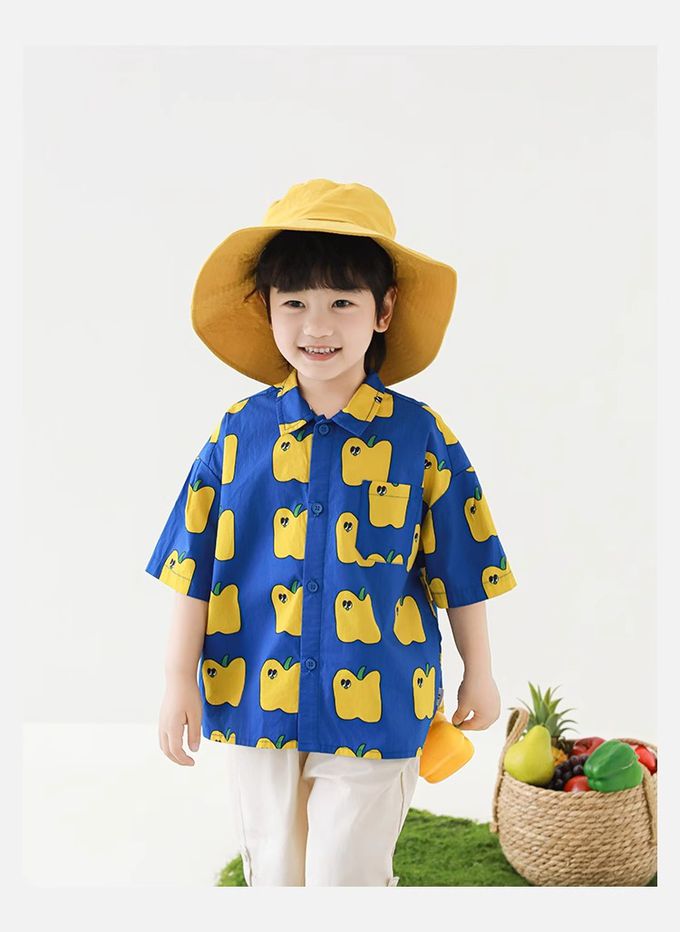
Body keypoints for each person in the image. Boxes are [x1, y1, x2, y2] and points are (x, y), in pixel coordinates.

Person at [145, 178, 517, 886]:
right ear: (267, 309)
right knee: (275, 870)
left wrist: (481, 669)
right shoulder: (237, 434)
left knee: (346, 872)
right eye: (295, 303)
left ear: (384, 310)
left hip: (383, 693)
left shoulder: (421, 437)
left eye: (342, 302)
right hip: (255, 692)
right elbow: (192, 567)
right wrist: (175, 681)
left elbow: (463, 565)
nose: (317, 326)